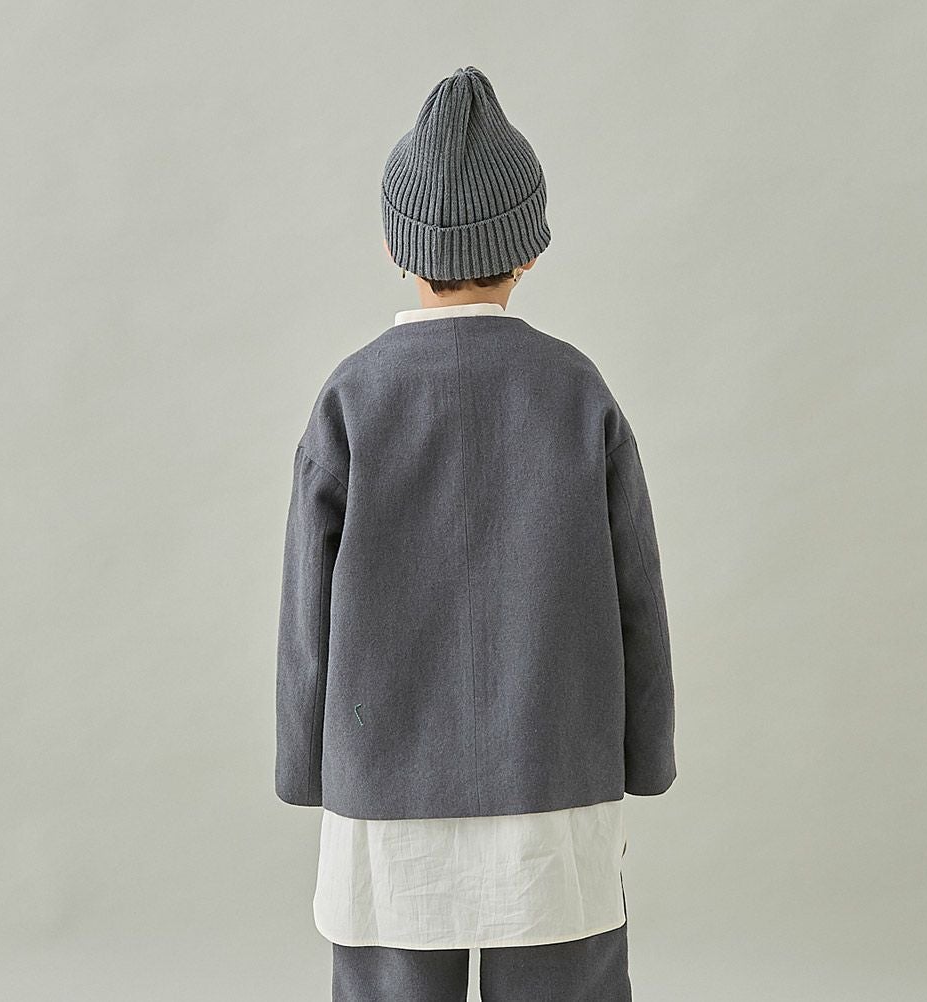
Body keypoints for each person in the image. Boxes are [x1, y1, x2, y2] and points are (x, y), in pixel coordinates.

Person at [275, 65, 676, 1002]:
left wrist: (304, 761)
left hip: (385, 785)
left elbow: (306, 609)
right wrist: (645, 753)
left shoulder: (352, 398)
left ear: (394, 245)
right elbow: (637, 598)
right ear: (529, 248)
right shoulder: (576, 391)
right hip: (553, 773)